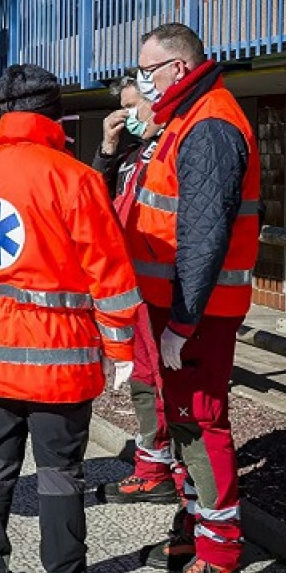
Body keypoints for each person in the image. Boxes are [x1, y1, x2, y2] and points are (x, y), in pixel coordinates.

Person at [0, 64, 140, 573]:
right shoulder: (75, 179)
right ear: (56, 116)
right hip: (61, 360)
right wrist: (122, 348)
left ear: (5, 114)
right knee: (59, 476)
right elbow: (112, 275)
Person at [125, 22, 260, 573]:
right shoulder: (187, 116)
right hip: (176, 306)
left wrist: (182, 322)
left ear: (177, 68)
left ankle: (219, 556)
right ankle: (194, 530)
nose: (141, 83)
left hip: (195, 312)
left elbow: (203, 236)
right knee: (183, 424)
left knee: (201, 426)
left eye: (146, 71)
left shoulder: (209, 123)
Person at [92, 76, 182, 505]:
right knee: (144, 379)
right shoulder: (133, 151)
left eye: (135, 107)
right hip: (136, 289)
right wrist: (108, 150)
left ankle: (179, 481)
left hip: (168, 290)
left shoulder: (175, 146)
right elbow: (96, 201)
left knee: (169, 385)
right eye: (122, 109)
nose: (128, 117)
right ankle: (152, 468)